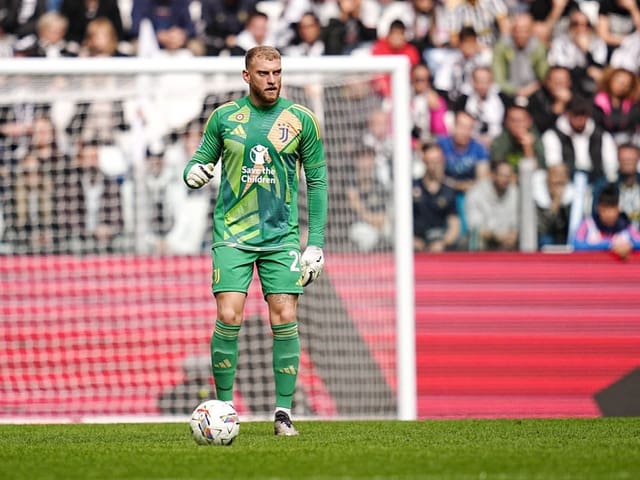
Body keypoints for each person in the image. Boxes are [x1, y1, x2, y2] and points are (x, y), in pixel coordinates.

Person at [182, 46, 328, 436]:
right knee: (229, 315)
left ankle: (283, 413)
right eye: (264, 73)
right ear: (247, 76)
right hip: (233, 234)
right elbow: (199, 160)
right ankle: (225, 408)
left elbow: (317, 181)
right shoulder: (225, 118)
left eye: (277, 72)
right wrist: (193, 172)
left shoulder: (301, 121)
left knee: (285, 317)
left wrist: (315, 243)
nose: (273, 79)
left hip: (281, 237)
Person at [413, 142, 461, 252]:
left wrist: (443, 242)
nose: (435, 166)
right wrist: (410, 240)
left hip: (439, 240)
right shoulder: (412, 187)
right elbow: (401, 220)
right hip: (415, 242)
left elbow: (454, 226)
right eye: (431, 162)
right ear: (424, 162)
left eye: (438, 161)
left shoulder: (448, 190)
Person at [573, 182, 640, 259]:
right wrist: (609, 245)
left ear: (618, 209)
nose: (609, 214)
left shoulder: (626, 226)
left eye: (612, 209)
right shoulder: (588, 224)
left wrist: (630, 245)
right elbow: (577, 245)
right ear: (598, 209)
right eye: (604, 210)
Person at [465, 158, 520, 251]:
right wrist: (496, 236)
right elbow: (475, 228)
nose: (505, 180)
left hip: (509, 244)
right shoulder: (476, 193)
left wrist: (514, 234)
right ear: (493, 175)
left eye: (508, 176)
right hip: (483, 244)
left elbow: (518, 222)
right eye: (502, 176)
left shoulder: (516, 194)